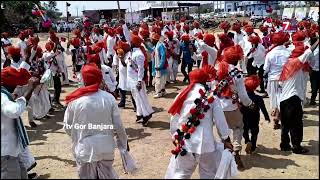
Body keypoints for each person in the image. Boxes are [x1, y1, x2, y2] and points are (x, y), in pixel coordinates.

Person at [64, 64, 136, 179]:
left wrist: (79, 137)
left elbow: (67, 127)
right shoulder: (109, 98)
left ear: (84, 80)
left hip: (85, 151)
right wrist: (123, 145)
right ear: (99, 79)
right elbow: (119, 127)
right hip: (106, 149)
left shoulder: (75, 101)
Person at [165, 67, 234, 179]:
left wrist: (174, 136)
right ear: (204, 80)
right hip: (207, 145)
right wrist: (226, 139)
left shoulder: (181, 95)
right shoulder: (212, 97)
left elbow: (174, 118)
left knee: (181, 173)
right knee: (208, 174)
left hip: (186, 144)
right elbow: (220, 121)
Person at [214, 45, 255, 170]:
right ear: (236, 60)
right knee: (238, 127)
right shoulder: (237, 73)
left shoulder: (217, 68)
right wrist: (249, 104)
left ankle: (226, 154)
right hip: (232, 106)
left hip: (217, 107)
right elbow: (242, 94)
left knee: (223, 133)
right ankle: (236, 148)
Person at [278, 35, 318, 154]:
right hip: (293, 99)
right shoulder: (295, 63)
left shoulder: (289, 64)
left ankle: (284, 144)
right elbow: (309, 52)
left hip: (284, 98)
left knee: (285, 124)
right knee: (296, 124)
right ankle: (296, 147)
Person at [1, 66, 40, 179]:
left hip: (13, 150)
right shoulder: (2, 97)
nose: (15, 87)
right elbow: (14, 111)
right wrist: (30, 88)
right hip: (6, 153)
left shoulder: (4, 96)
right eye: (14, 84)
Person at [264, 31, 291, 130]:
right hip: (286, 79)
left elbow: (266, 69)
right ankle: (283, 118)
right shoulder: (289, 52)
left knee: (274, 99)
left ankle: (275, 118)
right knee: (284, 99)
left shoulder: (270, 54)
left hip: (273, 79)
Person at [241, 75, 270, 154]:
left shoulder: (242, 98)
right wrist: (267, 117)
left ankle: (247, 141)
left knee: (245, 130)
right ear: (255, 87)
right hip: (255, 118)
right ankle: (253, 147)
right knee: (254, 132)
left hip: (244, 117)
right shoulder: (258, 98)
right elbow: (263, 109)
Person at [129, 34, 154, 126]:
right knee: (136, 97)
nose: (130, 42)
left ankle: (147, 114)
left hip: (136, 80)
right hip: (132, 79)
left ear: (134, 43)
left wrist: (139, 81)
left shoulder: (139, 54)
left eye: (131, 41)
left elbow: (141, 68)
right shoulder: (133, 52)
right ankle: (140, 114)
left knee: (141, 97)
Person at [151, 32, 168, 98]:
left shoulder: (160, 46)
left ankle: (158, 92)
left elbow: (163, 56)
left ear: (155, 40)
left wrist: (160, 66)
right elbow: (152, 50)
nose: (151, 41)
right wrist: (145, 45)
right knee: (161, 80)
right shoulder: (156, 46)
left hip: (160, 67)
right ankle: (163, 91)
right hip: (159, 66)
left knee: (158, 81)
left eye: (152, 39)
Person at [309, 32, 319, 105]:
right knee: (314, 88)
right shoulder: (310, 51)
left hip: (314, 71)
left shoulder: (310, 50)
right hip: (314, 71)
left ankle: (313, 100)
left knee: (314, 88)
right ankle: (312, 100)